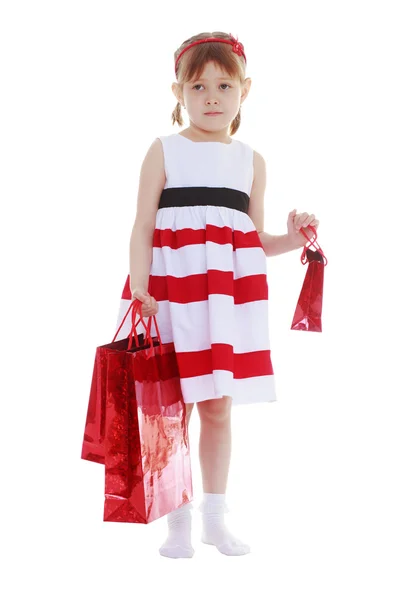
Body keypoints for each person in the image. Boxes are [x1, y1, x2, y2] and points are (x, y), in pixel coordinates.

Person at [115, 31, 320, 558]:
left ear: (244, 90)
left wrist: (295, 238)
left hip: (225, 299)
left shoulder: (251, 160)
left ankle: (213, 517)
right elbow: (142, 226)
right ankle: (176, 522)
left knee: (218, 407)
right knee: (170, 409)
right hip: (165, 292)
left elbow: (255, 239)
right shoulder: (164, 149)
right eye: (198, 85)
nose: (211, 96)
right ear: (178, 92)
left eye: (224, 85)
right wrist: (140, 285)